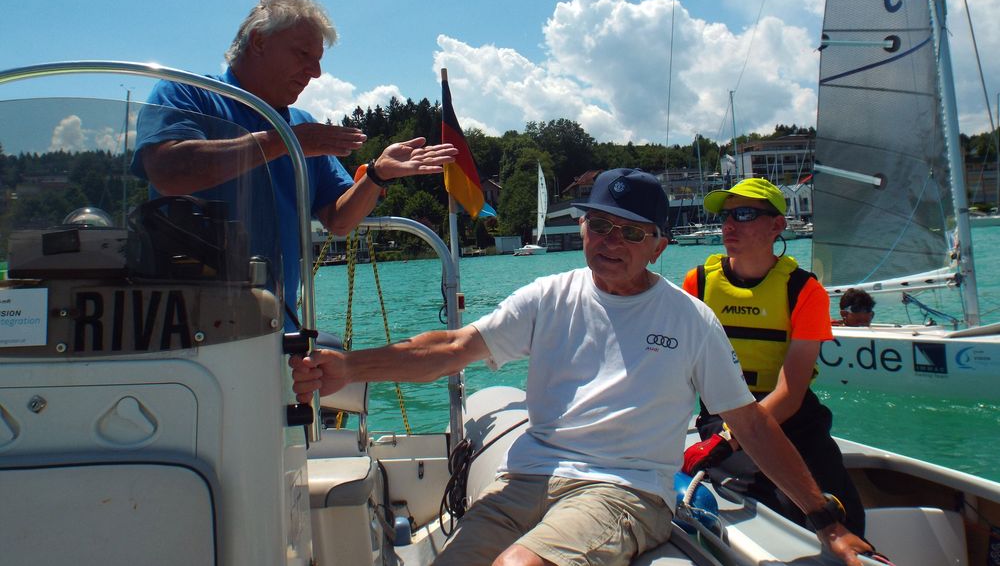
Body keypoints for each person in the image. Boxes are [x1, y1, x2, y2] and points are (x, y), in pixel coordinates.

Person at [292, 168, 873, 566]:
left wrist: (827, 520)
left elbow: (750, 424)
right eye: (599, 224)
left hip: (625, 490)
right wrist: (350, 367)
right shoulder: (550, 296)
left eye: (630, 232)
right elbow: (452, 347)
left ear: (659, 245)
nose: (610, 241)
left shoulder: (690, 319)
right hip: (528, 478)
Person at [132, 0, 457, 327]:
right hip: (186, 329)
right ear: (259, 41)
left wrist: (377, 175)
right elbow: (168, 171)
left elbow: (340, 221)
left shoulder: (301, 128)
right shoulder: (187, 93)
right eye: (303, 54)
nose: (316, 73)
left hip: (278, 332)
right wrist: (286, 142)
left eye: (318, 61)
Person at [682, 177, 865, 536]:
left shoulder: (804, 291)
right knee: (779, 504)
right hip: (724, 415)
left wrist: (730, 439)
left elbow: (791, 392)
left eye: (744, 214)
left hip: (792, 420)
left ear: (777, 225)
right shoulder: (698, 283)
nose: (729, 224)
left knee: (841, 513)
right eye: (725, 215)